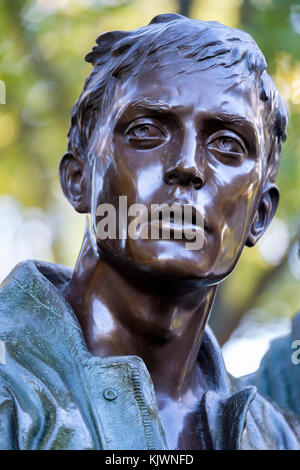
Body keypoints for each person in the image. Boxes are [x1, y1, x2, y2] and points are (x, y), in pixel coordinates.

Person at [0, 13, 299, 450]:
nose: (188, 166)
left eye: (227, 144)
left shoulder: (275, 437)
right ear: (79, 180)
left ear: (260, 215)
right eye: (147, 131)